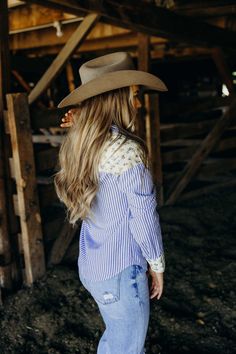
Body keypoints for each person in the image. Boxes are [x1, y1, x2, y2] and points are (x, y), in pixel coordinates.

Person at [53, 52, 168, 354]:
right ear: (118, 97)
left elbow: (91, 128)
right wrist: (157, 264)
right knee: (126, 346)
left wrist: (81, 118)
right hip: (121, 270)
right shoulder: (127, 152)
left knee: (117, 338)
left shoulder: (81, 144)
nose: (138, 102)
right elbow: (143, 218)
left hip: (93, 265)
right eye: (134, 94)